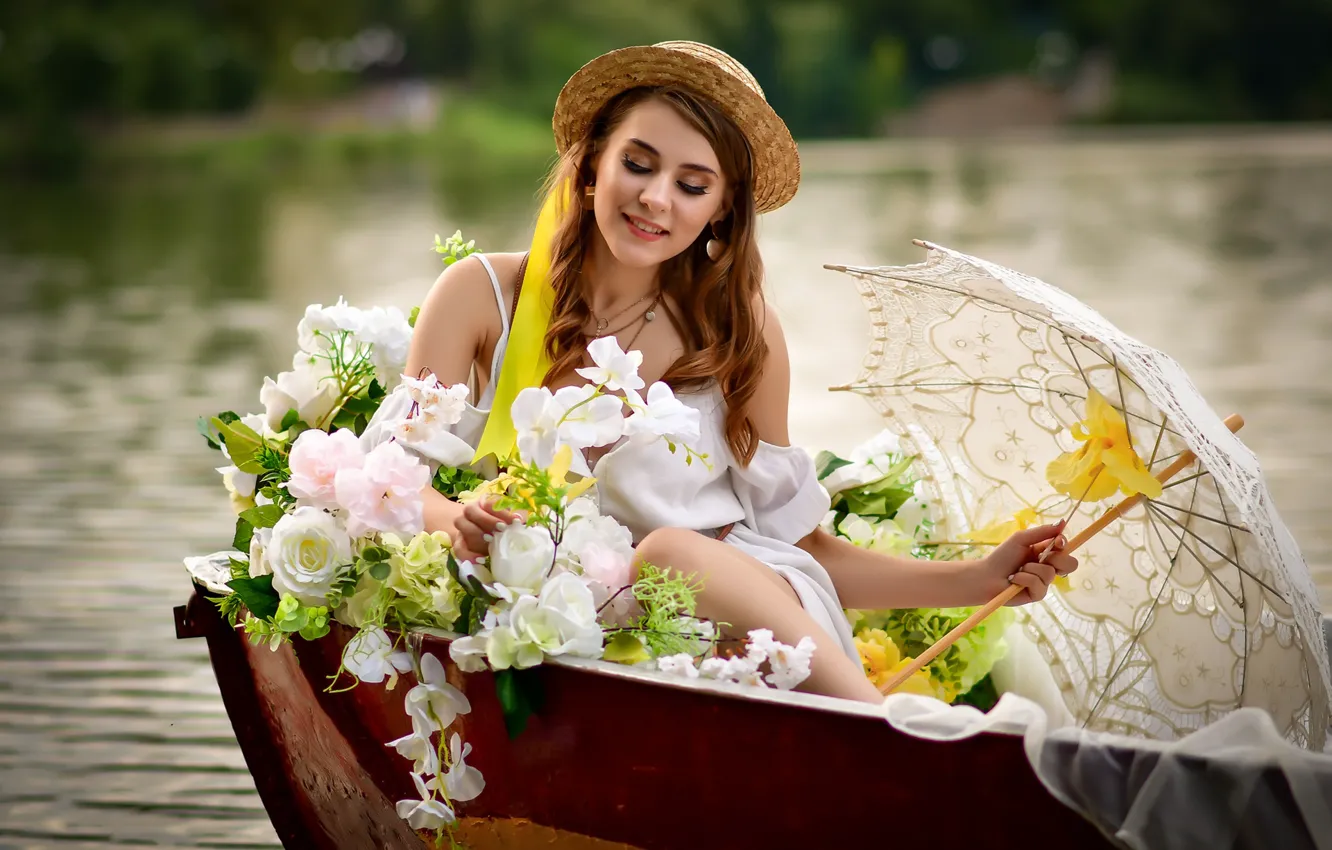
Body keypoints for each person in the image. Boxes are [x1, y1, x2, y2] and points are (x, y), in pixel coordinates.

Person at [405, 41, 1077, 704]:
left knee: (666, 555)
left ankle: (885, 737)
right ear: (589, 167)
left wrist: (979, 580)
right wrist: (458, 519)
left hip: (747, 623)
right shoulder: (481, 297)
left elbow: (808, 545)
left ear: (720, 208)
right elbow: (392, 483)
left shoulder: (739, 331)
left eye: (692, 185)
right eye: (638, 165)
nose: (657, 199)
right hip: (578, 633)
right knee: (640, 575)